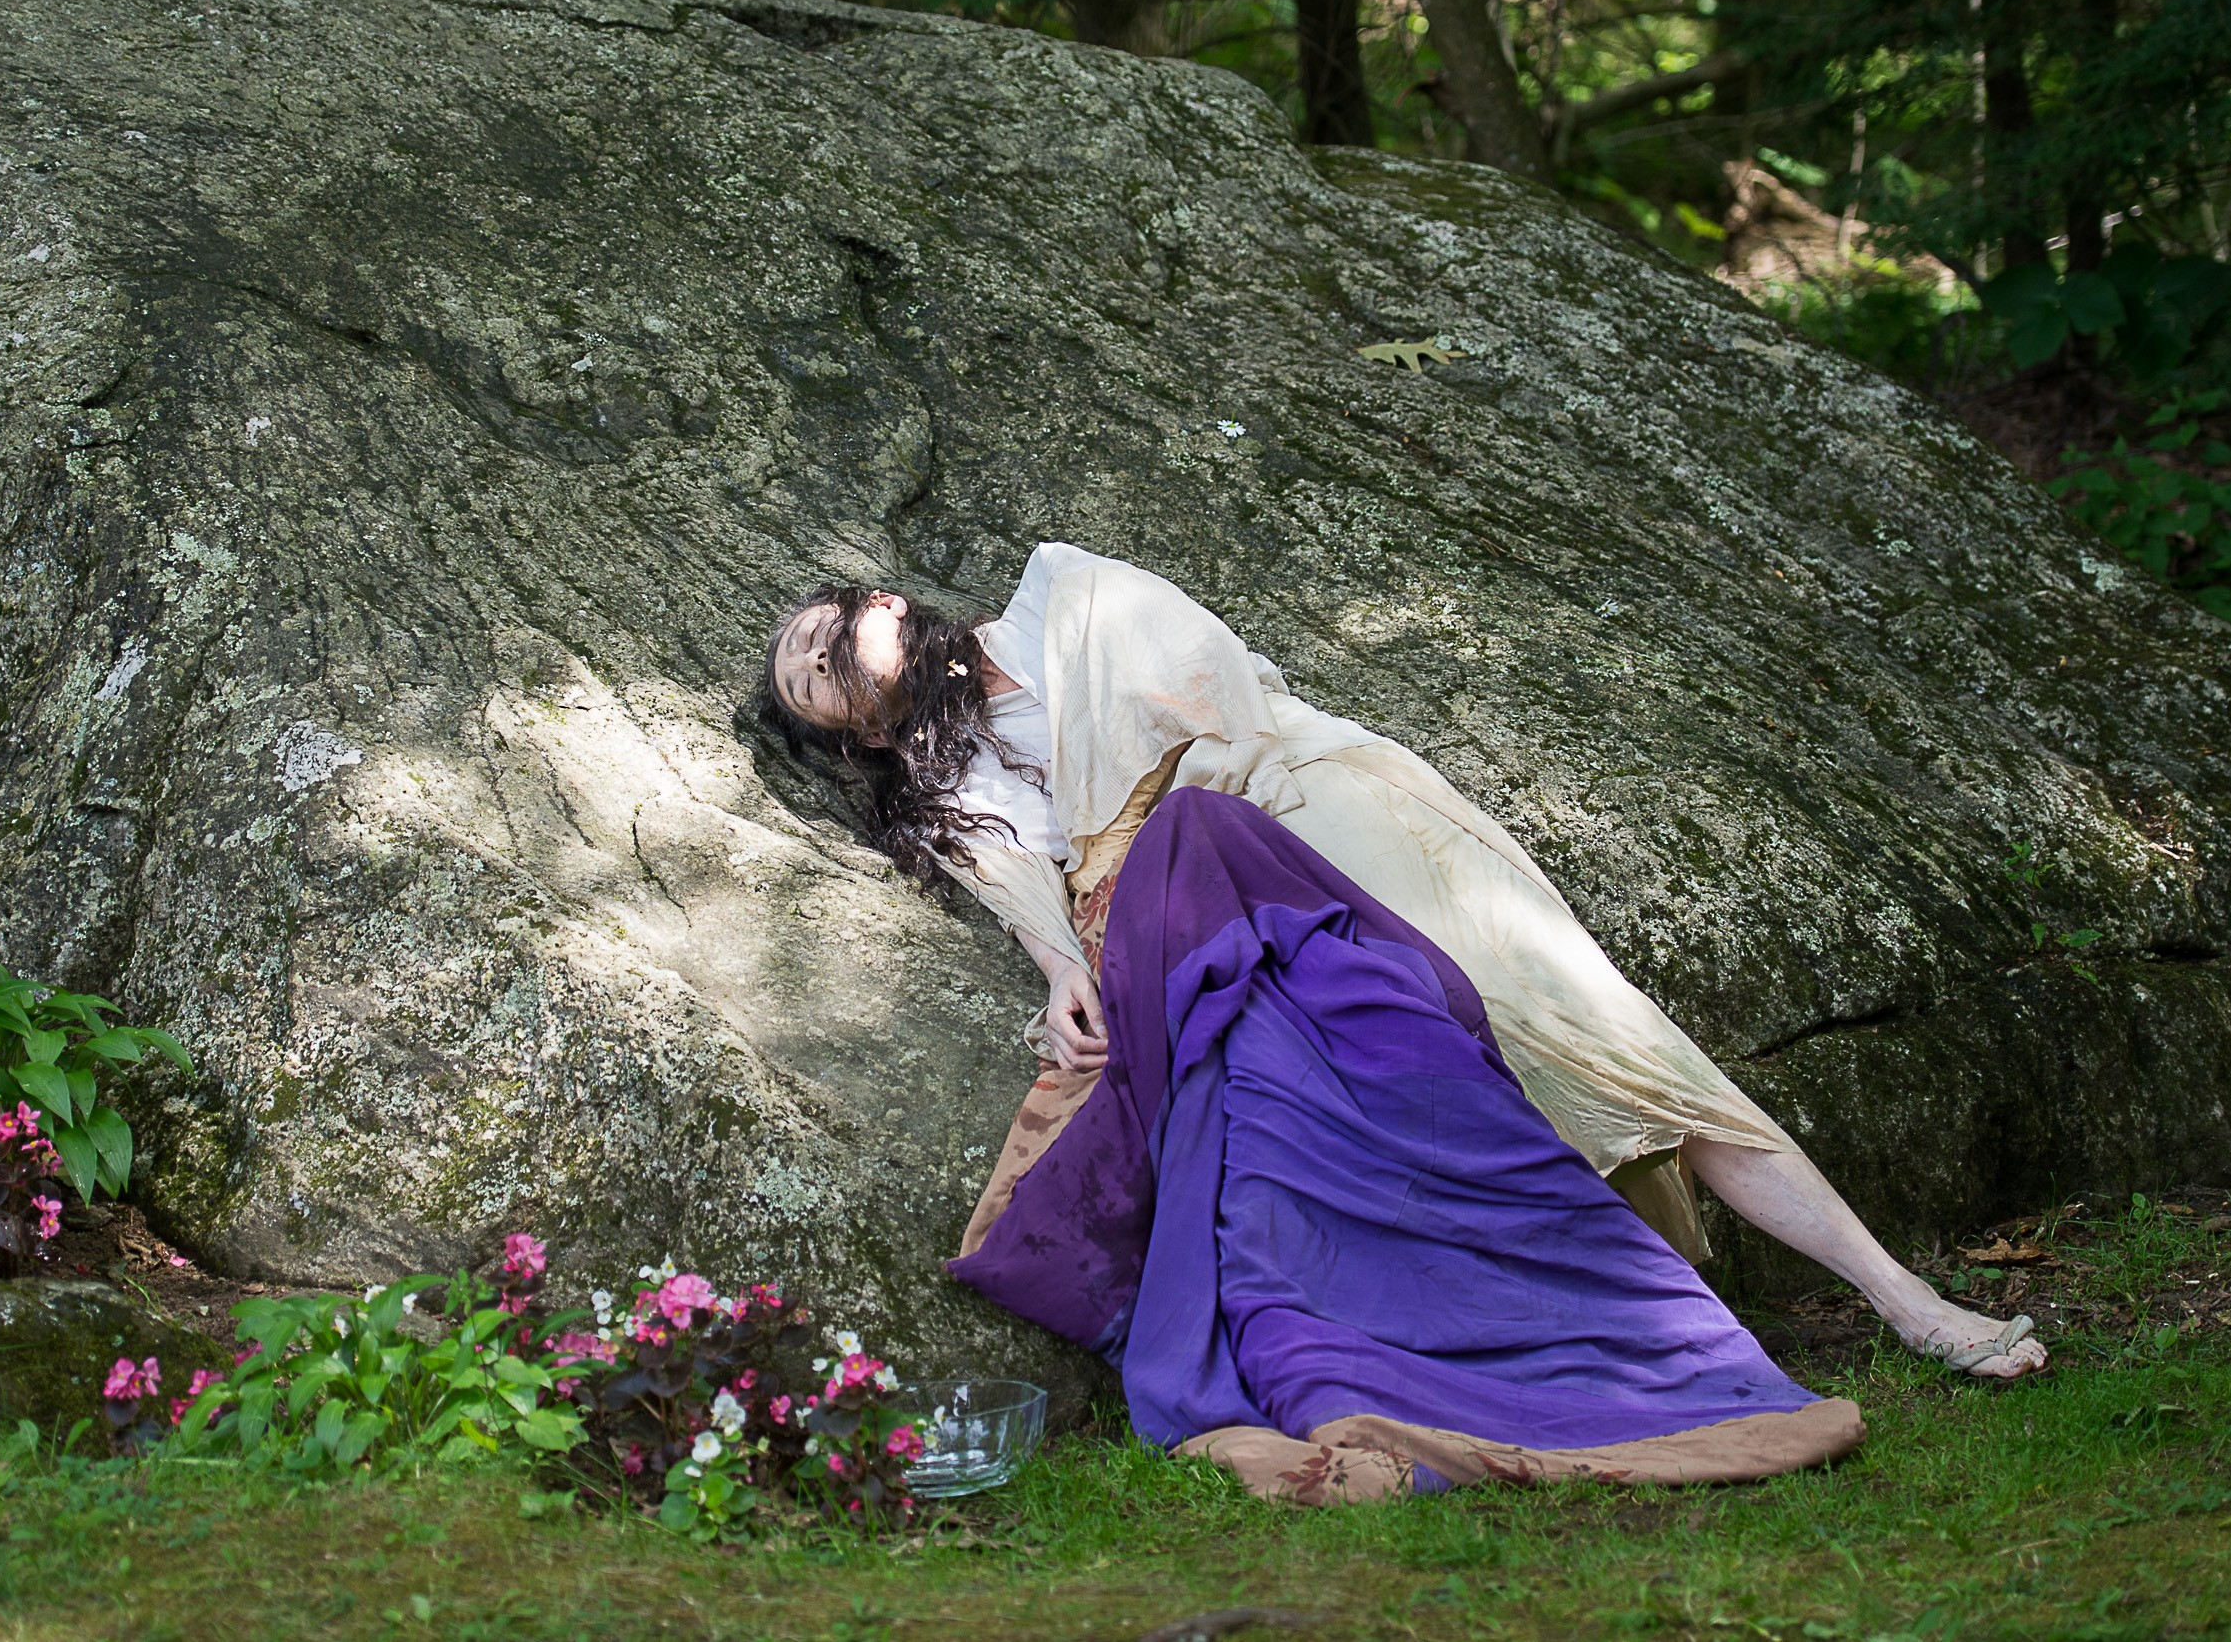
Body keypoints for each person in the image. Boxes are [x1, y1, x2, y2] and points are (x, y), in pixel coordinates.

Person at [761, 543, 2044, 1383]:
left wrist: (1135, 837)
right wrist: (1061, 973)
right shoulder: (960, 780)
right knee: (1430, 1093)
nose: (851, 708)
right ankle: (1646, 1340)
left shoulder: (1069, 598)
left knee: (1572, 1019)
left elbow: (1226, 714)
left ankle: (1901, 1294)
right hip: (1228, 898)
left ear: (886, 608)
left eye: (835, 663)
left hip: (1320, 809)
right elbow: (1034, 900)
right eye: (830, 716)